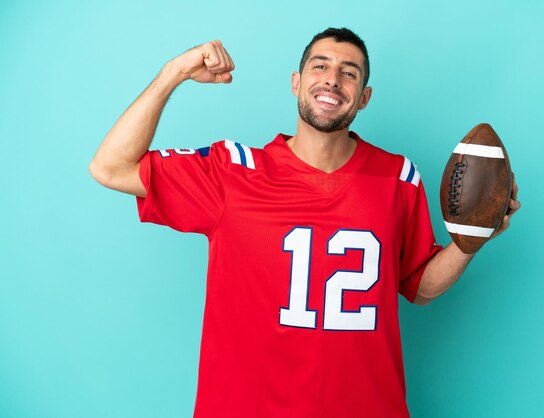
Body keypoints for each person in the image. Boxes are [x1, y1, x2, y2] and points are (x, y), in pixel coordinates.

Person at [90, 28, 520, 418]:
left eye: (349, 73)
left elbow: (418, 286)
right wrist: (174, 72)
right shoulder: (233, 172)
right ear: (296, 83)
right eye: (320, 66)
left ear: (365, 96)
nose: (332, 79)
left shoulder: (396, 177)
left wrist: (468, 243)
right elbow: (110, 167)